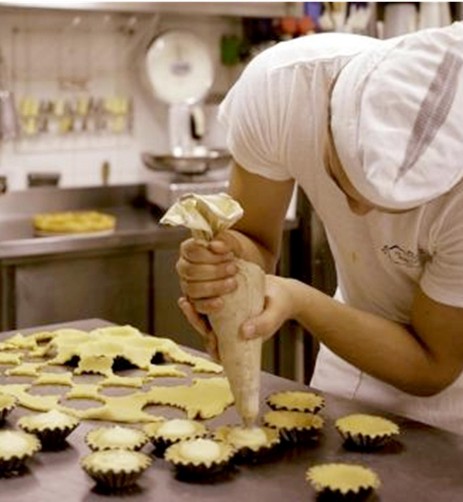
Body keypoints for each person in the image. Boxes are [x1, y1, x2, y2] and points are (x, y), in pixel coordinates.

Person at [175, 21, 463, 435]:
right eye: (340, 178)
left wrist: (299, 299)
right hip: (347, 354)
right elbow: (254, 241)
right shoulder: (282, 91)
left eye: (387, 206)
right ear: (328, 105)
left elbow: (432, 365)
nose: (357, 211)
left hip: (451, 399)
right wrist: (222, 266)